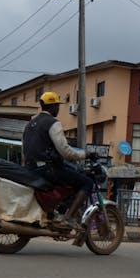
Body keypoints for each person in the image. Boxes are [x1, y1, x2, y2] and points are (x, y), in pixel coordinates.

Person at [22, 91, 94, 229]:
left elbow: (24, 151)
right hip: (47, 170)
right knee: (87, 182)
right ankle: (68, 218)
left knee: (69, 175)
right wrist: (85, 155)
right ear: (53, 106)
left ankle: (57, 211)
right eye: (57, 106)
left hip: (30, 169)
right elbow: (65, 151)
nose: (58, 109)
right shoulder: (53, 123)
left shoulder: (30, 124)